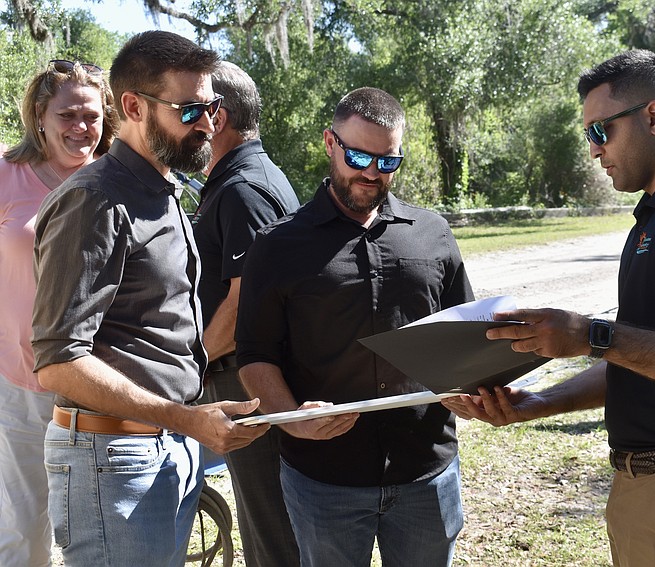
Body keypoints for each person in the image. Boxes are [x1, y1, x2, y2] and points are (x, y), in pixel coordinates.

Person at [443, 49, 655, 567]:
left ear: (654, 117)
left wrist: (592, 335)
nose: (594, 152)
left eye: (601, 132)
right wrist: (536, 405)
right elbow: (644, 361)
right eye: (588, 136)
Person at [31, 31, 269, 567]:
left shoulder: (165, 190)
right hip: (111, 459)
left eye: (211, 106)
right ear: (134, 106)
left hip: (162, 447)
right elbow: (58, 361)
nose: (208, 122)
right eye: (189, 109)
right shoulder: (94, 201)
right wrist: (185, 419)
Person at [236, 86, 473, 567]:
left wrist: (472, 385)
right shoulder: (278, 246)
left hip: (427, 470)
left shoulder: (433, 233)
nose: (371, 173)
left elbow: (465, 336)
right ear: (330, 142)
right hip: (324, 480)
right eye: (359, 155)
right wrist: (293, 420)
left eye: (388, 161)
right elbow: (255, 355)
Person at [0, 58, 117, 567]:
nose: (80, 127)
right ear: (39, 116)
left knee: (98, 535)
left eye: (91, 116)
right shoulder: (8, 174)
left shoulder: (119, 180)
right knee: (23, 536)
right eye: (68, 114)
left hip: (99, 384)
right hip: (17, 384)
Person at [193, 60, 301, 566]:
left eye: (192, 107)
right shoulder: (237, 181)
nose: (185, 121)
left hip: (245, 381)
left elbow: (243, 308)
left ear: (218, 115)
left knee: (271, 527)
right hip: (240, 379)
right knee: (267, 520)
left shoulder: (243, 190)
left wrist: (187, 361)